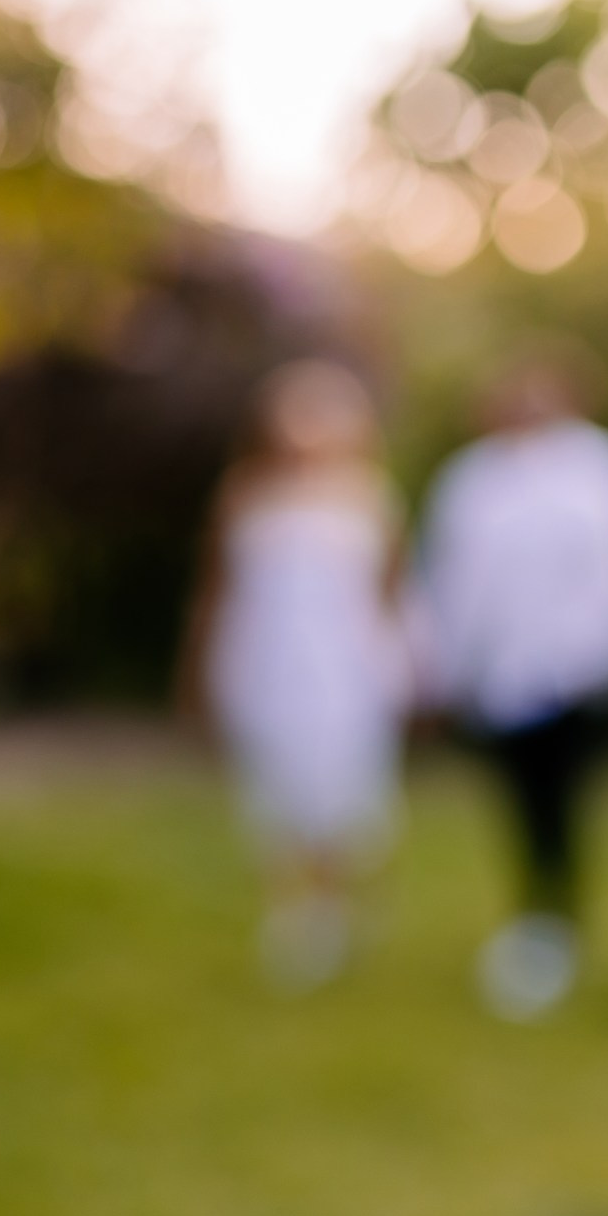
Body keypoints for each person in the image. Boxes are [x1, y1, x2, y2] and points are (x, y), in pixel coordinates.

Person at [407, 350, 608, 1020]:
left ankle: (553, 921)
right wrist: (439, 667)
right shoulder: (472, 477)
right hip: (499, 678)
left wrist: (603, 652)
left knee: (561, 797)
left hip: (580, 674)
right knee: (521, 800)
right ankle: (536, 920)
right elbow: (450, 581)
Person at [195, 360, 408, 989]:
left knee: (343, 785)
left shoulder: (369, 496)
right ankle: (291, 910)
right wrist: (204, 664)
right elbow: (217, 589)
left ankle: (336, 904)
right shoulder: (243, 495)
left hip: (346, 665)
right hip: (267, 657)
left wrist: (407, 670)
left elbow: (391, 594)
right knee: (275, 784)